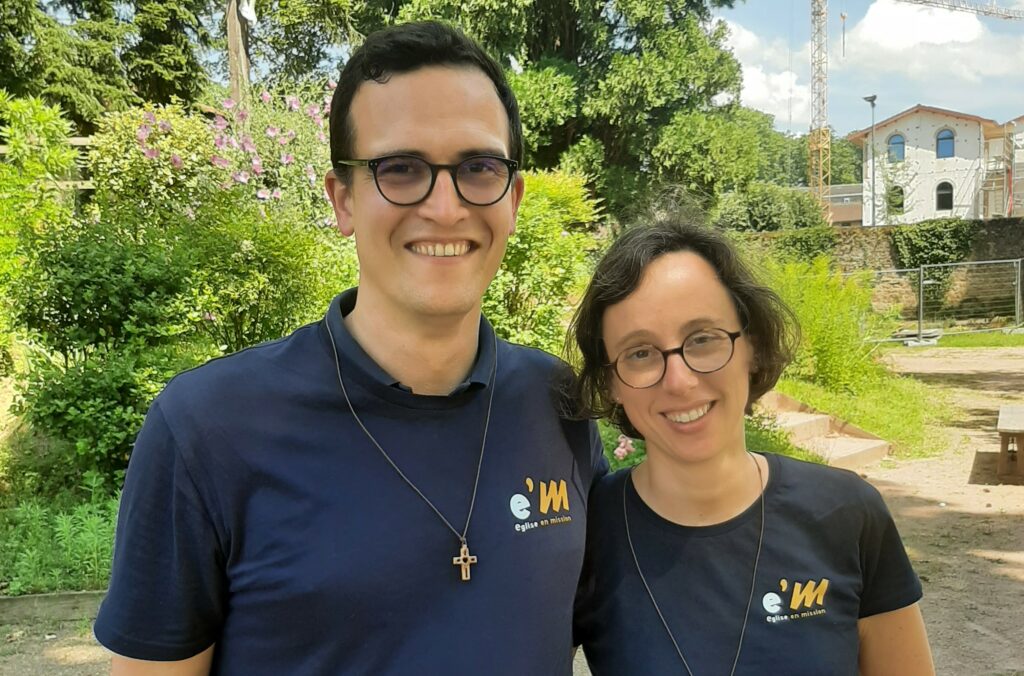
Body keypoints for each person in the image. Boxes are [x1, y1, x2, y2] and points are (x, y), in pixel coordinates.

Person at [93, 21, 606, 675]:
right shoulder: (209, 429)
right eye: (401, 169)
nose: (445, 207)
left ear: (513, 197)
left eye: (479, 168)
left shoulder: (558, 405)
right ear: (342, 200)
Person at [570, 217, 935, 675]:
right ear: (611, 383)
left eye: (702, 339)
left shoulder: (846, 515)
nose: (679, 381)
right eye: (639, 353)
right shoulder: (583, 533)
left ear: (753, 348)